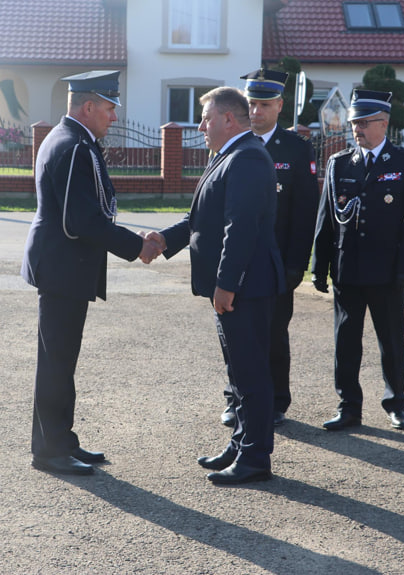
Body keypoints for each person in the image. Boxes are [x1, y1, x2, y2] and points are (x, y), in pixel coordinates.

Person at [21, 70, 162, 475]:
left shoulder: (74, 140)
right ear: (88, 107)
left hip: (65, 265)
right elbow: (81, 219)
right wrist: (137, 246)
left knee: (62, 361)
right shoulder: (74, 146)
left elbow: (89, 212)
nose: (114, 117)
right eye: (109, 108)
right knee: (56, 363)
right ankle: (49, 451)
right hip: (62, 267)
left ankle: (61, 441)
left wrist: (132, 240)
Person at [147, 87, 285, 485]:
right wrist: (164, 239)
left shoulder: (247, 158)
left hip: (247, 287)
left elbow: (239, 228)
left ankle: (256, 457)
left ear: (228, 119)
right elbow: (202, 220)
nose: (201, 126)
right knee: (238, 371)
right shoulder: (228, 156)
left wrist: (226, 285)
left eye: (207, 117)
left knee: (251, 373)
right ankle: (241, 443)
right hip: (238, 287)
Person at [311, 89, 404, 431]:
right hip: (348, 269)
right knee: (346, 341)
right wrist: (320, 266)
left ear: (384, 123)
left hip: (388, 271)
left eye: (363, 122)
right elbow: (327, 219)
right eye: (353, 123)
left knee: (390, 340)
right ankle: (348, 406)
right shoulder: (339, 163)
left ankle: (396, 404)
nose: (356, 129)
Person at [217, 68, 319, 429]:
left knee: (274, 333)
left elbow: (305, 212)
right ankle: (235, 398)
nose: (256, 111)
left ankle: (276, 401)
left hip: (275, 265)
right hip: (237, 261)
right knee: (234, 335)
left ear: (279, 105)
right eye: (251, 104)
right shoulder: (232, 142)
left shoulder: (296, 148)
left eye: (263, 104)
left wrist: (296, 265)